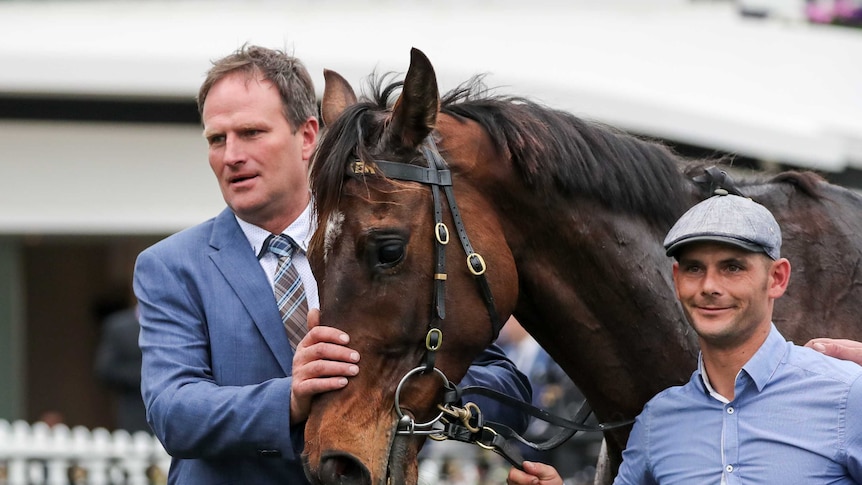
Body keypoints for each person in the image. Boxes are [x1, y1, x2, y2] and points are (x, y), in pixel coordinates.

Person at [134, 44, 530, 484]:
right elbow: (173, 411)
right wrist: (290, 398)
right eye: (216, 139)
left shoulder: (378, 248)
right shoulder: (170, 266)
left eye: (250, 133)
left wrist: (411, 389)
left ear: (307, 137)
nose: (231, 156)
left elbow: (507, 389)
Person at [508, 192, 862, 485]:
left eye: (732, 267)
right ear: (676, 280)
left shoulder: (848, 396)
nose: (709, 286)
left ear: (777, 279)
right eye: (694, 268)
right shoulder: (658, 420)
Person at [94, 304, 150, 433]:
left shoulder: (179, 320)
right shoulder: (119, 326)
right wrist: (148, 374)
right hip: (136, 414)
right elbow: (106, 369)